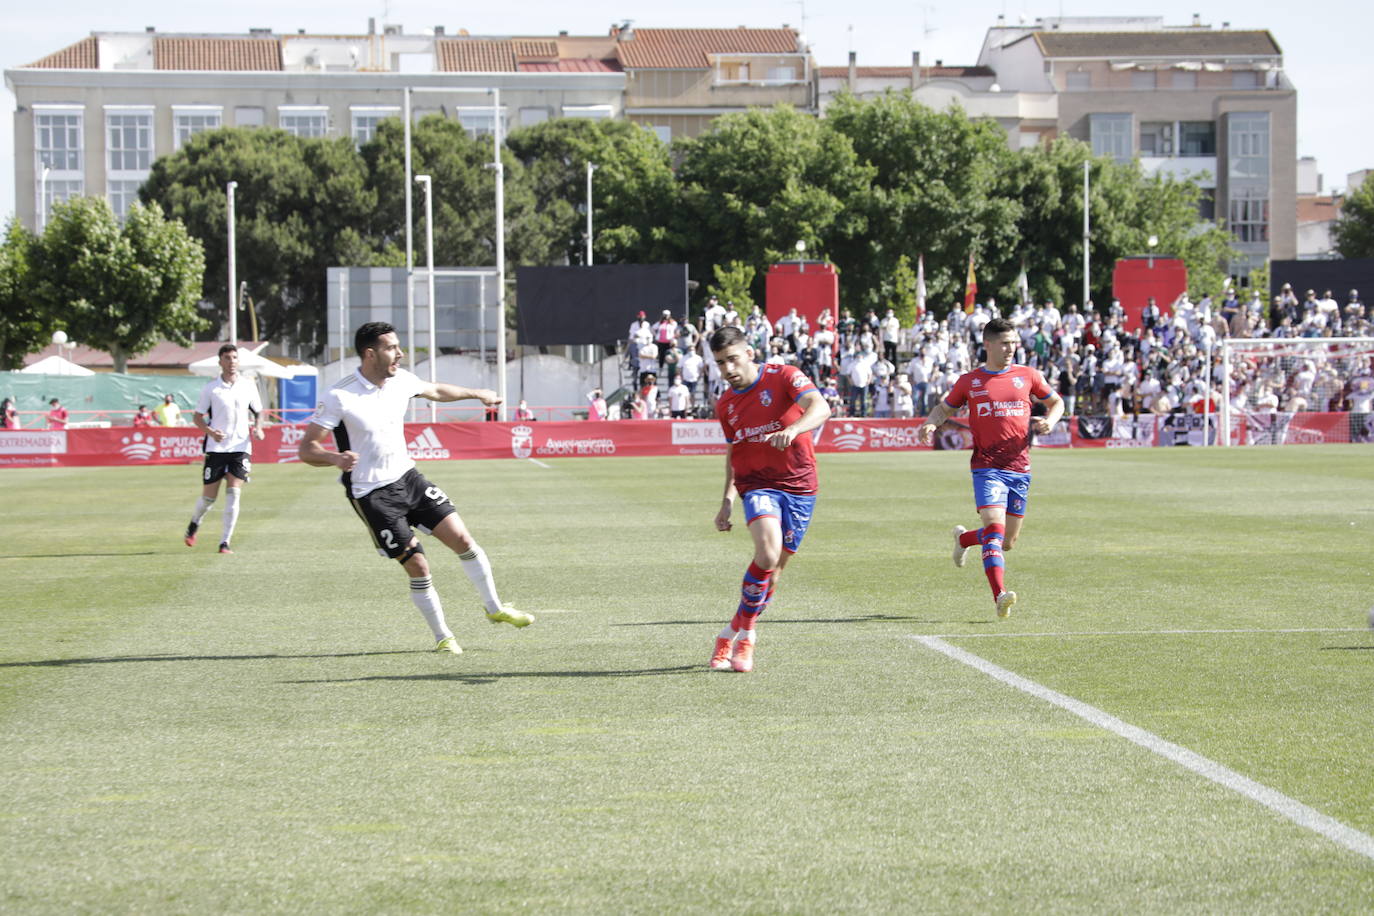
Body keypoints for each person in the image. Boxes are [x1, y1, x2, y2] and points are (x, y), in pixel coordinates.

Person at [298, 322, 532, 654]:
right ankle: (443, 637)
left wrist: (478, 394)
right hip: (372, 495)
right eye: (392, 348)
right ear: (370, 353)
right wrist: (335, 459)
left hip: (409, 478)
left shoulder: (402, 380)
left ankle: (494, 608)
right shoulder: (339, 395)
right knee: (418, 566)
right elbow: (306, 449)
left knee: (463, 539)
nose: (400, 353)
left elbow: (436, 391)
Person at [917, 317, 1064, 618]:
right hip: (987, 467)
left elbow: (1057, 402)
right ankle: (1000, 595)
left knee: (1007, 542)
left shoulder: (1028, 375)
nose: (1011, 348)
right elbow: (944, 408)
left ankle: (964, 539)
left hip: (1020, 468)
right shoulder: (970, 381)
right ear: (988, 345)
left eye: (1013, 343)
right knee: (995, 531)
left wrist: (1051, 420)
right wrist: (931, 423)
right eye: (1004, 343)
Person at [708, 325, 832, 673]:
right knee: (767, 552)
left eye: (732, 359)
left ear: (749, 353)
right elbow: (736, 454)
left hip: (801, 486)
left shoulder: (784, 377)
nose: (728, 370)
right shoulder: (726, 404)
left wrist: (793, 429)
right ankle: (747, 638)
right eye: (720, 363)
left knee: (772, 576)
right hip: (757, 486)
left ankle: (728, 633)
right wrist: (727, 500)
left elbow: (820, 407)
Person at [183, 345, 265, 554]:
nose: (232, 361)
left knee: (234, 493)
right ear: (220, 362)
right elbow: (197, 417)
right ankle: (194, 523)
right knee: (208, 498)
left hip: (241, 447)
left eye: (235, 357)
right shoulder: (211, 389)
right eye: (227, 358)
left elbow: (259, 412)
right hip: (217, 448)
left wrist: (258, 427)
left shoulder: (248, 386)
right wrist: (211, 432)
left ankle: (225, 542)